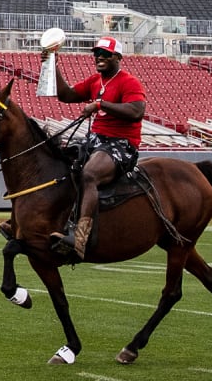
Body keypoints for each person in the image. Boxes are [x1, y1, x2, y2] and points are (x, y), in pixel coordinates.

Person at [42, 35, 146, 261]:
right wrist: (53, 62)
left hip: (122, 144)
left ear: (117, 57)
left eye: (105, 54)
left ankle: (80, 238)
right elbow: (66, 95)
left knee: (89, 174)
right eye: (97, 53)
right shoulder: (95, 81)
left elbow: (137, 111)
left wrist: (100, 104)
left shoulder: (129, 82)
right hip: (96, 139)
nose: (99, 57)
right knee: (58, 162)